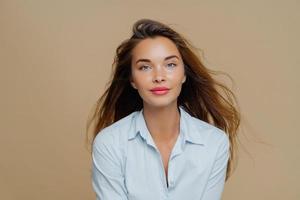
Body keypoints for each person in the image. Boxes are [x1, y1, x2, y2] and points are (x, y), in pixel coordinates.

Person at [86, 18, 241, 200]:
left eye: (170, 65)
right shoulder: (110, 143)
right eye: (145, 67)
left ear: (184, 74)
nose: (159, 76)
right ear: (132, 80)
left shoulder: (214, 142)